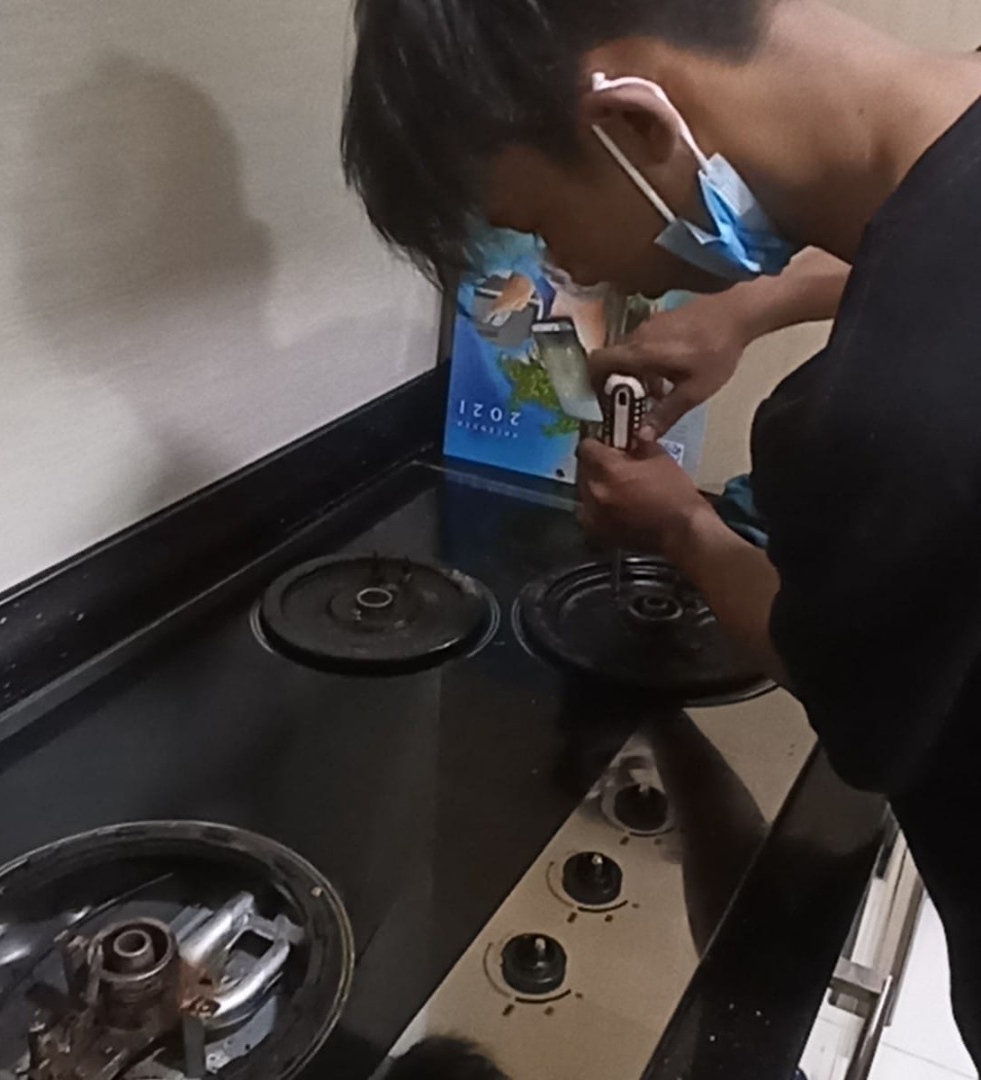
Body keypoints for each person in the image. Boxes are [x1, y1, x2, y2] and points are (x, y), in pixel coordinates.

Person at [341, 0, 981, 1061]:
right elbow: (928, 221)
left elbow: (835, 668)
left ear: (634, 124)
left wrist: (682, 523)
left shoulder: (899, 420)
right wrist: (754, 306)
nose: (575, 272)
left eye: (543, 228)